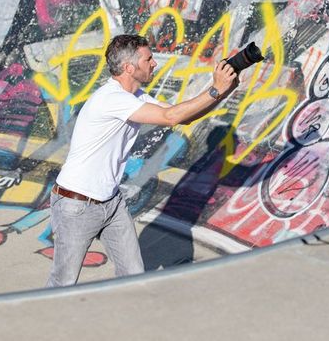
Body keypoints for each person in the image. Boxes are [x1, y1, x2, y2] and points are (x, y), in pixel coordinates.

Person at [45, 34, 237, 287]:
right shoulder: (111, 99)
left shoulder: (137, 96)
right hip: (77, 204)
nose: (154, 64)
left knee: (133, 276)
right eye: (149, 59)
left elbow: (183, 117)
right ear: (129, 67)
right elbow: (170, 117)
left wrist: (221, 94)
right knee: (63, 282)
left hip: (111, 203)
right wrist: (215, 89)